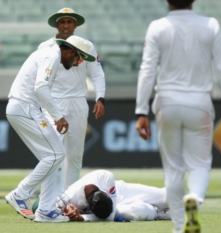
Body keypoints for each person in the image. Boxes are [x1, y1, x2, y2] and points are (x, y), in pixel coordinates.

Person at [135, 0, 221, 232]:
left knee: (173, 169)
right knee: (200, 164)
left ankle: (178, 226)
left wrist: (141, 110)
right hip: (200, 103)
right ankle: (194, 198)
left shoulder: (157, 27)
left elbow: (147, 70)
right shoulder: (210, 25)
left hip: (167, 103)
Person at [5, 35, 96, 223]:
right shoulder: (52, 56)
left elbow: (41, 88)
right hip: (24, 107)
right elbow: (41, 86)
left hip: (27, 108)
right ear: (70, 51)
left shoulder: (51, 55)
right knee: (55, 154)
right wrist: (58, 116)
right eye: (78, 58)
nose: (79, 63)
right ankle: (20, 194)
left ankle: (46, 210)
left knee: (53, 155)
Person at [38, 8, 106, 192]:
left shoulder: (87, 46)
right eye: (63, 22)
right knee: (53, 154)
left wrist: (100, 98)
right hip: (54, 103)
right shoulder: (46, 47)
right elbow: (39, 80)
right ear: (57, 25)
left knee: (75, 156)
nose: (66, 26)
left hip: (78, 102)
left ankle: (67, 199)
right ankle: (48, 200)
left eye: (70, 22)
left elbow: (97, 74)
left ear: (75, 24)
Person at [33, 169, 171, 222]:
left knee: (167, 196)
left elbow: (109, 217)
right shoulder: (69, 198)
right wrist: (65, 213)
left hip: (121, 191)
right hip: (114, 209)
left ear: (105, 193)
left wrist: (82, 217)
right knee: (140, 211)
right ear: (89, 207)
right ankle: (158, 213)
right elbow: (41, 208)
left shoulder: (105, 177)